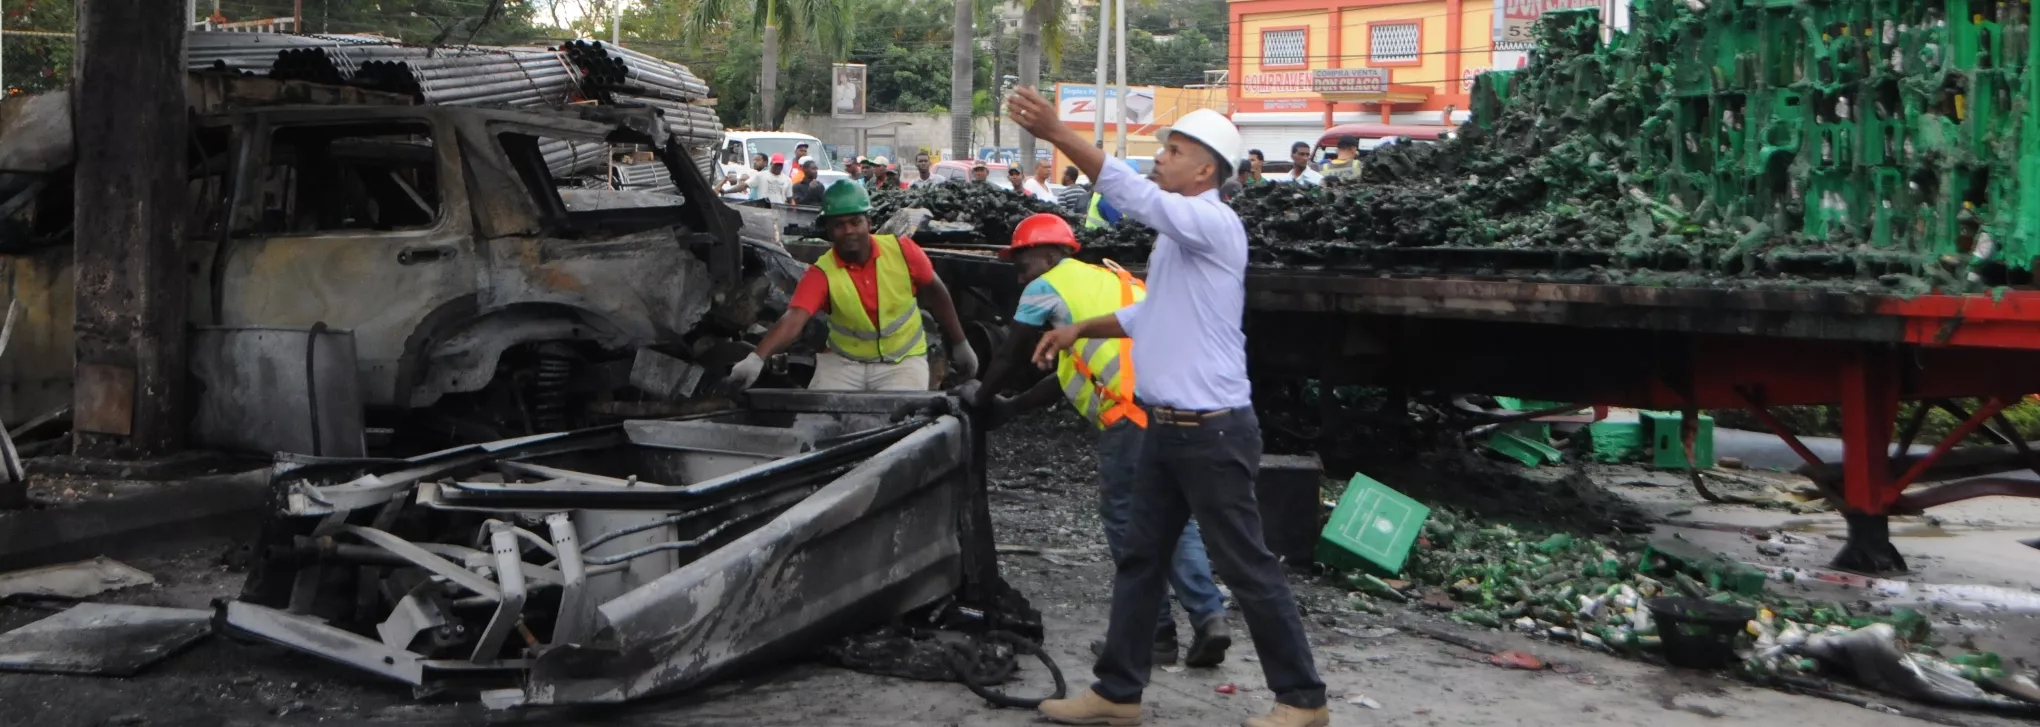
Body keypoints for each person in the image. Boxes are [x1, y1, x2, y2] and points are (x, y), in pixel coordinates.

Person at [1007, 87, 1329, 727]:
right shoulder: (1181, 241)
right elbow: (1149, 312)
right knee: (1140, 559)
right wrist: (1078, 330)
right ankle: (1117, 692)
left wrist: (1058, 133)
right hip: (1164, 429)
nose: (1161, 158)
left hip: (1211, 434)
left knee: (1247, 566)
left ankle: (1302, 700)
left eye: (1173, 151)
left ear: (1206, 170)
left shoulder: (1212, 223)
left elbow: (1134, 195)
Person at [974, 213, 1233, 673]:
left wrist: (980, 396)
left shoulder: (1046, 286)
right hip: (1181, 409)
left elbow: (1011, 352)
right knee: (1173, 516)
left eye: (1023, 260)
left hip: (1131, 417)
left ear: (1051, 255)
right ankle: (1209, 616)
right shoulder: (1112, 282)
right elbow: (1068, 377)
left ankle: (1151, 635)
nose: (1018, 271)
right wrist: (1012, 408)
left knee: (1128, 523)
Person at [722, 181, 978, 392]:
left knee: (896, 426)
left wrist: (960, 343)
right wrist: (757, 358)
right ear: (829, 231)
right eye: (838, 225)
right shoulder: (821, 272)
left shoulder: (903, 252)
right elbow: (794, 319)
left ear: (868, 222)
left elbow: (937, 292)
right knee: (818, 424)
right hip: (844, 364)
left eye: (855, 222)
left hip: (901, 363)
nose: (848, 231)